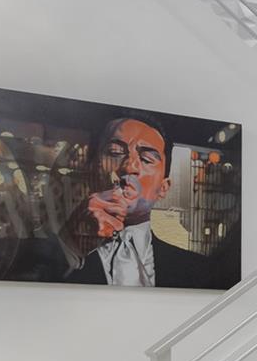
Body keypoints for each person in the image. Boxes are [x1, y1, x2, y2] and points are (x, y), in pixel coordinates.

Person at [62, 115, 215, 287]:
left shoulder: (200, 272)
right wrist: (70, 246)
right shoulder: (55, 257)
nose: (130, 167)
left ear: (163, 188)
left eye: (146, 159)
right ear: (91, 171)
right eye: (115, 152)